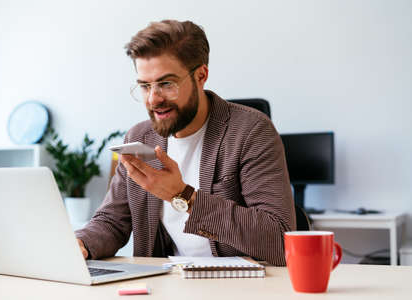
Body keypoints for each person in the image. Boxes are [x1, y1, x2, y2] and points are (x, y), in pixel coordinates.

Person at [76, 19, 295, 266]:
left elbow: (279, 239)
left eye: (166, 84)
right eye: (145, 86)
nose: (153, 99)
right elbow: (112, 221)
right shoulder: (138, 138)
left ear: (201, 76)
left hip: (238, 284)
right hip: (165, 283)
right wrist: (81, 243)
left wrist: (182, 195)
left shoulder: (251, 132)